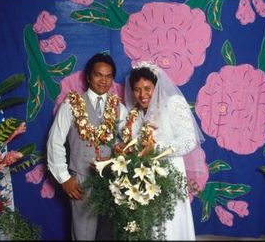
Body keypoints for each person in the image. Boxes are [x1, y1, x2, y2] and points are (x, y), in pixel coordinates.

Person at [47, 53, 127, 240]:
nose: (103, 80)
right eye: (98, 75)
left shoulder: (118, 107)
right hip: (81, 180)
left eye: (108, 76)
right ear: (89, 77)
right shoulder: (71, 104)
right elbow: (55, 141)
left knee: (111, 233)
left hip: (111, 179)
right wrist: (64, 178)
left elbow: (127, 141)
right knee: (84, 234)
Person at [122, 61, 206, 240]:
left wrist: (156, 148)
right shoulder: (135, 112)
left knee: (170, 222)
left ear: (156, 85)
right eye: (137, 89)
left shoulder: (173, 103)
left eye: (147, 88)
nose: (142, 95)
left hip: (170, 174)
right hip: (144, 175)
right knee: (148, 225)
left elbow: (189, 141)